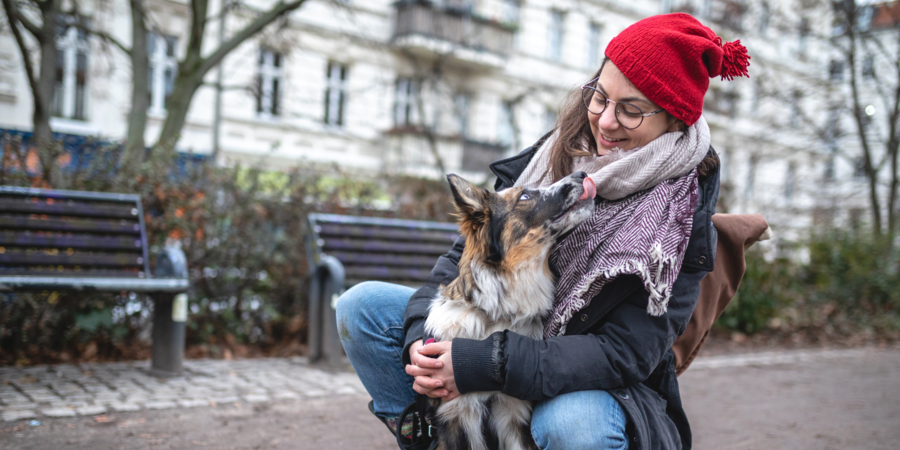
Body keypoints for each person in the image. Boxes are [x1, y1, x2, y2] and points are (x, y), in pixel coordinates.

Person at [336, 13, 750, 450]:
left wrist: (484, 363)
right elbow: (460, 261)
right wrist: (424, 343)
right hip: (502, 331)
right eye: (600, 97)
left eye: (630, 111)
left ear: (675, 120)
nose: (606, 122)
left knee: (572, 424)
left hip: (592, 380)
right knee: (363, 307)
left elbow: (623, 354)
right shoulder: (552, 157)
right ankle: (429, 436)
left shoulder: (679, 218)